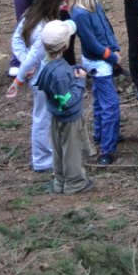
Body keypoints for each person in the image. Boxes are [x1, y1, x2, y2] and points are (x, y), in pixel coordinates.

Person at [7, 0, 70, 173]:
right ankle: (42, 160)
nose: (64, 5)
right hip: (42, 79)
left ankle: (50, 151)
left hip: (40, 75)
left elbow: (16, 40)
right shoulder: (44, 31)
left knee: (46, 115)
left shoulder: (29, 15)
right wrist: (19, 79)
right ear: (51, 4)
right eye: (62, 3)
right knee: (43, 118)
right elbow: (32, 58)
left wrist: (24, 59)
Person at [35, 20, 95, 195]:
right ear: (65, 45)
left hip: (56, 116)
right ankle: (75, 183)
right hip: (70, 118)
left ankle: (60, 181)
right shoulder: (60, 73)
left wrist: (72, 71)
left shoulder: (47, 65)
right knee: (72, 150)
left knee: (59, 150)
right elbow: (67, 101)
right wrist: (80, 81)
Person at [69, 0, 122, 166]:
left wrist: (115, 48)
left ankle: (102, 135)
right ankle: (107, 149)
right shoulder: (80, 13)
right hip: (98, 63)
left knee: (101, 101)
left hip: (105, 58)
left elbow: (107, 28)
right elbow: (91, 43)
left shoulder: (94, 3)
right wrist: (111, 56)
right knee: (110, 106)